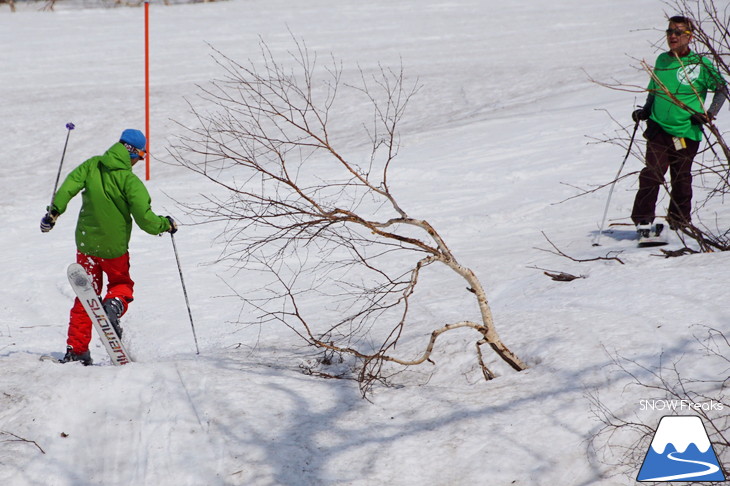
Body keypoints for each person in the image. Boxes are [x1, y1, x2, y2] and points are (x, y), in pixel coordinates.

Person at [40, 129, 177, 365]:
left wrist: (54, 212)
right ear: (132, 152)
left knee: (86, 296)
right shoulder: (129, 181)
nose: (138, 162)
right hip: (114, 249)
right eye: (140, 157)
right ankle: (113, 306)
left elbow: (69, 186)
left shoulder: (92, 165)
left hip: (86, 244)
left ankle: (77, 351)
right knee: (121, 284)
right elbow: (146, 220)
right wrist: (166, 224)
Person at [631, 15, 728, 237]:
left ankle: (679, 220)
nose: (672, 36)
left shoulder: (700, 64)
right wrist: (646, 110)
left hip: (685, 131)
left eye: (678, 32)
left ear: (689, 37)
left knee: (681, 176)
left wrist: (709, 114)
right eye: (669, 32)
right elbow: (655, 90)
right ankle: (643, 220)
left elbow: (722, 88)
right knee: (652, 173)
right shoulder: (662, 60)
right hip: (659, 128)